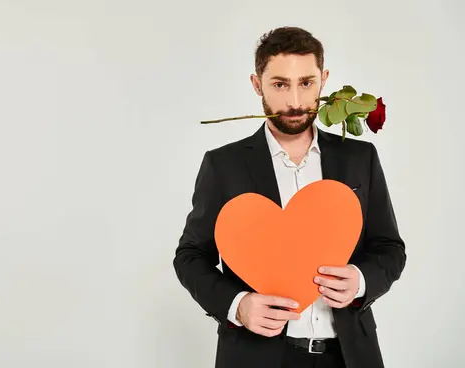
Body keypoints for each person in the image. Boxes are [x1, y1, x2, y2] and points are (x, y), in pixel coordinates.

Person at [173, 26, 406, 368]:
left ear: (323, 80)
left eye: (306, 83)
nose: (295, 101)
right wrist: (238, 304)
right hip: (257, 357)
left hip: (349, 356)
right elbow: (190, 255)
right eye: (280, 84)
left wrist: (361, 280)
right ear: (257, 84)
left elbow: (389, 248)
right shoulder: (223, 165)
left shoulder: (360, 158)